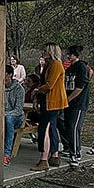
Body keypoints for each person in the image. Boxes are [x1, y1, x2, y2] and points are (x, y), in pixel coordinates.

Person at [31, 43, 68, 171]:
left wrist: (36, 90)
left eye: (45, 51)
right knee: (51, 127)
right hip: (48, 101)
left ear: (50, 52)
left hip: (53, 102)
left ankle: (44, 159)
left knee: (44, 129)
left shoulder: (56, 65)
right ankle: (54, 155)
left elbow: (49, 84)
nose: (42, 52)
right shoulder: (48, 65)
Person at [60, 45, 90, 167]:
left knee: (74, 127)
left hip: (78, 103)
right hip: (68, 103)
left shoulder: (81, 67)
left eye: (69, 54)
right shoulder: (69, 68)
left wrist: (68, 99)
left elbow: (80, 87)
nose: (67, 56)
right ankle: (70, 149)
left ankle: (75, 153)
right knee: (66, 126)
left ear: (74, 55)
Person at [3, 65, 26, 167]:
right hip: (2, 115)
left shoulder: (19, 89)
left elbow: (18, 110)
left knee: (8, 120)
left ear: (10, 75)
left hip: (16, 117)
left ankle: (7, 154)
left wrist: (3, 114)